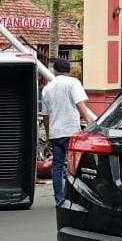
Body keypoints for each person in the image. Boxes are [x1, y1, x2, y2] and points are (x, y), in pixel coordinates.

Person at [41, 58, 94, 205]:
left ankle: (59, 199)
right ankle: (74, 197)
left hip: (56, 133)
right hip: (72, 132)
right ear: (69, 71)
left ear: (54, 71)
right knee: (74, 166)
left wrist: (48, 134)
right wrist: (90, 123)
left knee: (57, 166)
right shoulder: (73, 83)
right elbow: (80, 104)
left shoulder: (47, 88)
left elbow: (45, 116)